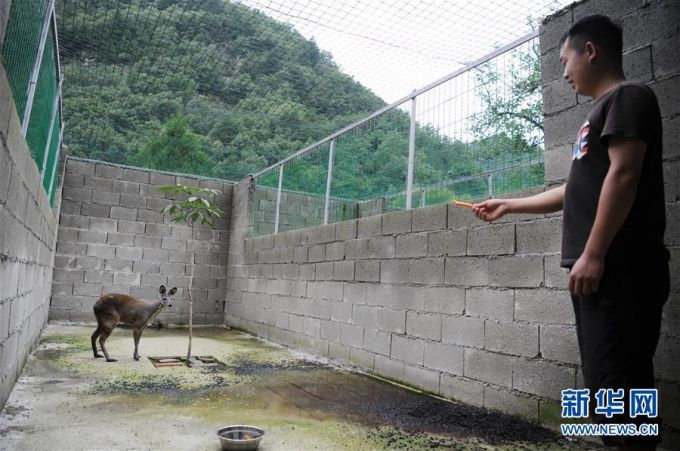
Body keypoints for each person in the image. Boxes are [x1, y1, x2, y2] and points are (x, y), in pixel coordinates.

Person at [473, 14, 669, 451]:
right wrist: (509, 205)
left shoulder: (627, 97)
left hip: (619, 270)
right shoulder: (597, 115)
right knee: (613, 389)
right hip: (603, 275)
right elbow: (576, 188)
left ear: (591, 52)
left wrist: (594, 252)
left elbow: (624, 173)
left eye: (565, 61)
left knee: (616, 391)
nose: (563, 73)